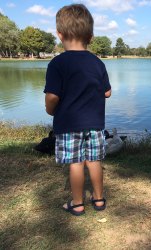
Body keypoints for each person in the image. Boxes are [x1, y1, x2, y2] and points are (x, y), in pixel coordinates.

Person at [44, 4, 112, 216]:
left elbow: (52, 96)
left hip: (68, 124)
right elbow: (107, 93)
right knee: (94, 161)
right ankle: (99, 200)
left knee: (75, 163)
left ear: (59, 34)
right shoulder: (98, 63)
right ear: (90, 37)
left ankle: (77, 203)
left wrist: (50, 110)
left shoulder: (57, 63)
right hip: (95, 123)